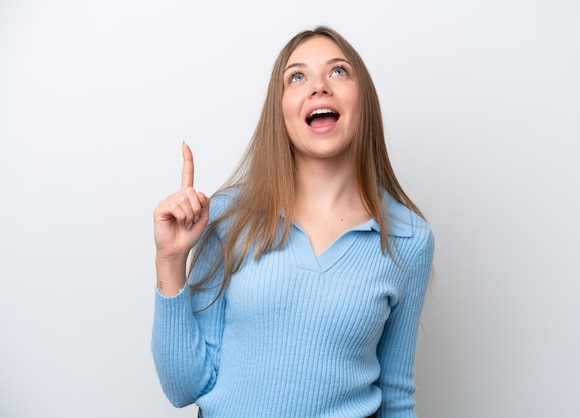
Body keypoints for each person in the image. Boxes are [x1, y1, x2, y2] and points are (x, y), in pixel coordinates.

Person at [151, 26, 434, 417]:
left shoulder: (409, 238)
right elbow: (185, 388)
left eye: (338, 71)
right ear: (280, 110)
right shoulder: (230, 215)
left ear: (362, 99)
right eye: (297, 77)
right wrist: (170, 261)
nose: (318, 86)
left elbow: (396, 396)